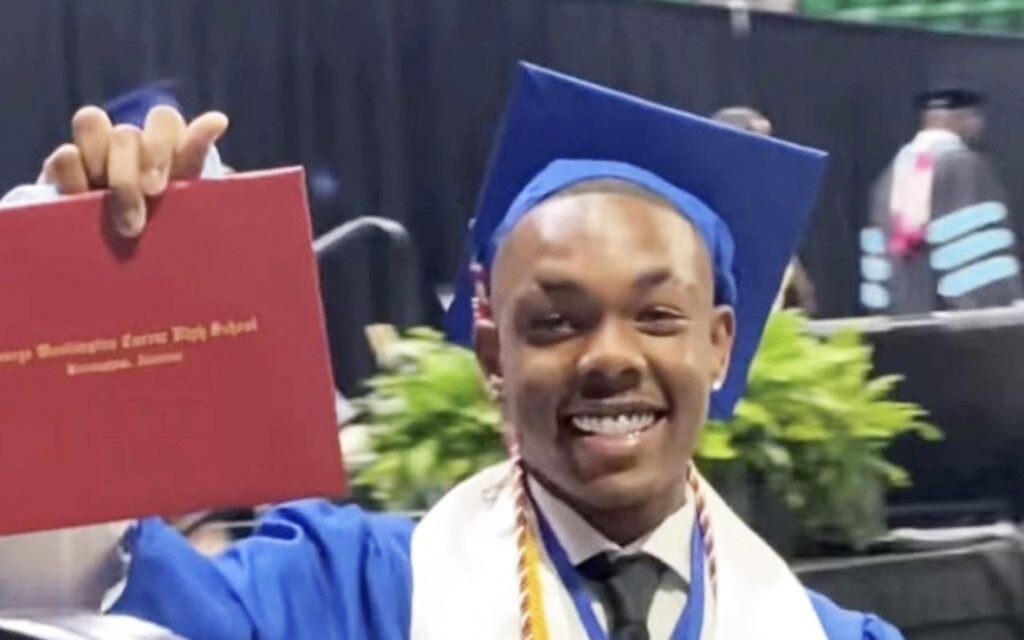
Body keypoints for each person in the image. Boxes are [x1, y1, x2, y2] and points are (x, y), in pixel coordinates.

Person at [0, 64, 901, 639]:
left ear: (719, 345)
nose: (609, 356)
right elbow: (74, 604)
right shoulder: (344, 595)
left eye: (658, 315)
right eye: (555, 322)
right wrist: (63, 298)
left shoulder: (824, 634)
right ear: (492, 356)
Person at [862, 86, 1023, 314]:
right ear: (958, 118)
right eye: (974, 116)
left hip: (899, 320)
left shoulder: (888, 176)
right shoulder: (965, 167)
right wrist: (1002, 311)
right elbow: (979, 275)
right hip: (960, 325)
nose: (979, 124)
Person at [711, 106, 817, 316]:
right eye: (756, 143)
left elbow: (803, 298)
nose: (767, 153)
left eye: (768, 142)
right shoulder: (697, 214)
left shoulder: (768, 212)